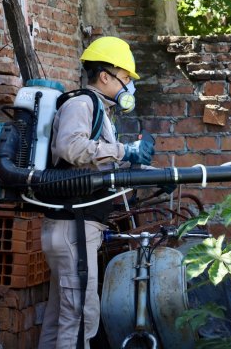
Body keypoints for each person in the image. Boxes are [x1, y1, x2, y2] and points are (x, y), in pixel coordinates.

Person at [38, 36, 155, 349]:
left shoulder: (102, 112)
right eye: (126, 78)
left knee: (59, 317)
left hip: (73, 227)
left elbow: (104, 167)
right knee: (80, 319)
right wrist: (125, 149)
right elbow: (70, 146)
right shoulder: (81, 104)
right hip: (73, 226)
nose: (129, 86)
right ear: (106, 76)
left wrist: (154, 178)